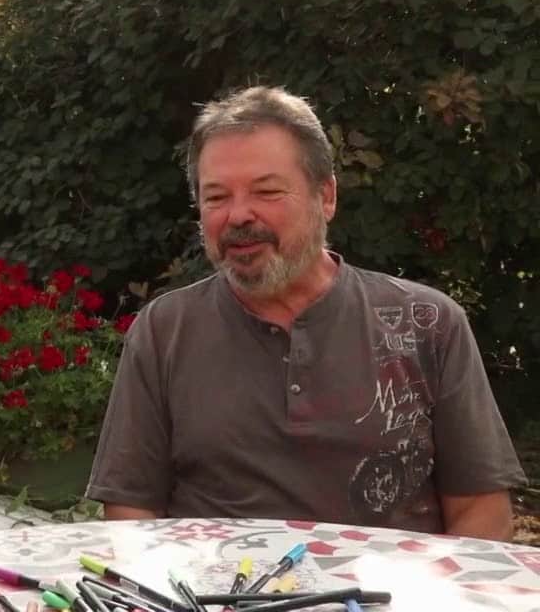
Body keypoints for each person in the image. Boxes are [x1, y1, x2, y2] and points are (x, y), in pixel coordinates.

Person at [86, 85, 526, 540]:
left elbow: (480, 512)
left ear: (326, 196)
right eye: (216, 197)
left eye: (267, 191)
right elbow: (131, 513)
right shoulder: (165, 330)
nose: (238, 215)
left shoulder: (427, 324)